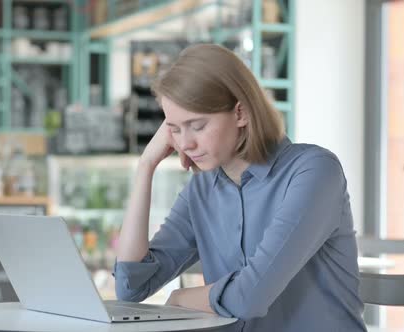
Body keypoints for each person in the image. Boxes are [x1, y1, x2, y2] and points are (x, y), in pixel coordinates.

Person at [113, 44, 367, 331]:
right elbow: (131, 288)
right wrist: (146, 166)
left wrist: (181, 296)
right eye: (174, 128)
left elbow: (250, 297)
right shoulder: (202, 188)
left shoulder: (314, 171)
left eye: (197, 125)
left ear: (241, 113)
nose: (185, 144)